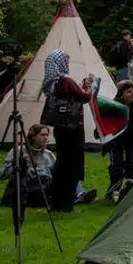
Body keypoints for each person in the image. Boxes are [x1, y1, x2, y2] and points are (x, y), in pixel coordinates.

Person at [40, 50, 97, 211]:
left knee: (61, 161)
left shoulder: (50, 81)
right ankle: (67, 201)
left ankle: (56, 201)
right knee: (72, 163)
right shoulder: (65, 79)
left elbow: (70, 93)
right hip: (73, 127)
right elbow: (84, 97)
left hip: (60, 126)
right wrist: (88, 84)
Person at [0, 124, 55, 210]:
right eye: (42, 135)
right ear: (33, 136)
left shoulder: (48, 154)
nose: (46, 138)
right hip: (26, 186)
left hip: (43, 185)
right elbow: (2, 175)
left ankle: (79, 194)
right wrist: (19, 165)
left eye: (47, 135)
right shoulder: (18, 151)